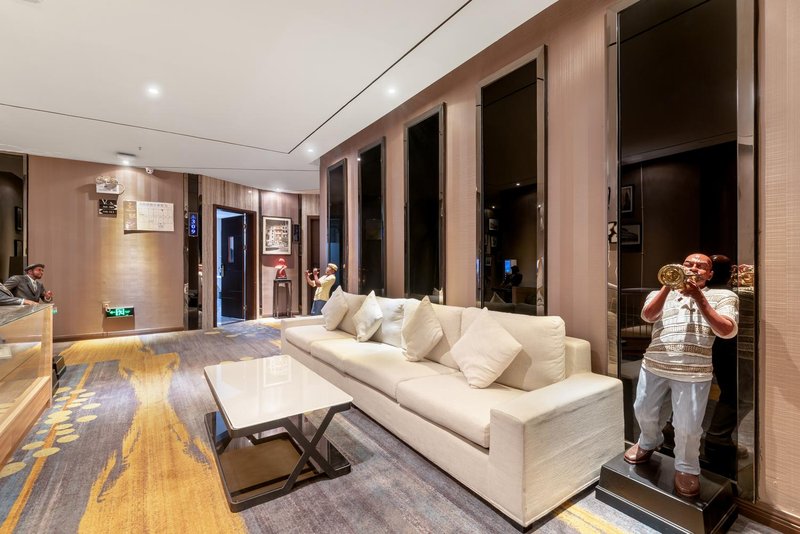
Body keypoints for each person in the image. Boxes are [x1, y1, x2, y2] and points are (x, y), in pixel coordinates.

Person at [624, 253, 738, 498]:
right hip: (654, 364)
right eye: (688, 264)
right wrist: (668, 285)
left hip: (694, 372)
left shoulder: (724, 296)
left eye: (701, 266)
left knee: (687, 425)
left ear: (710, 274)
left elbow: (727, 330)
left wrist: (698, 296)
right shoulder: (659, 293)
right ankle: (648, 441)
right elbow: (648, 315)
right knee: (642, 409)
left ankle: (686, 466)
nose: (693, 268)